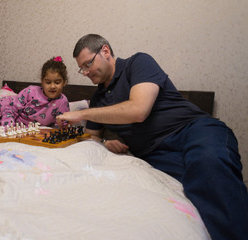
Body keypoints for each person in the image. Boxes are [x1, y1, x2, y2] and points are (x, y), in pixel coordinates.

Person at [56, 34, 248, 240]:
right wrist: (103, 140)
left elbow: (139, 110)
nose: (85, 72)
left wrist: (81, 113)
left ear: (105, 51)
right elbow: (91, 136)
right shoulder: (98, 99)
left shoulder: (138, 63)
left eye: (88, 65)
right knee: (197, 185)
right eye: (81, 68)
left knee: (209, 163)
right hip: (155, 154)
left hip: (193, 130)